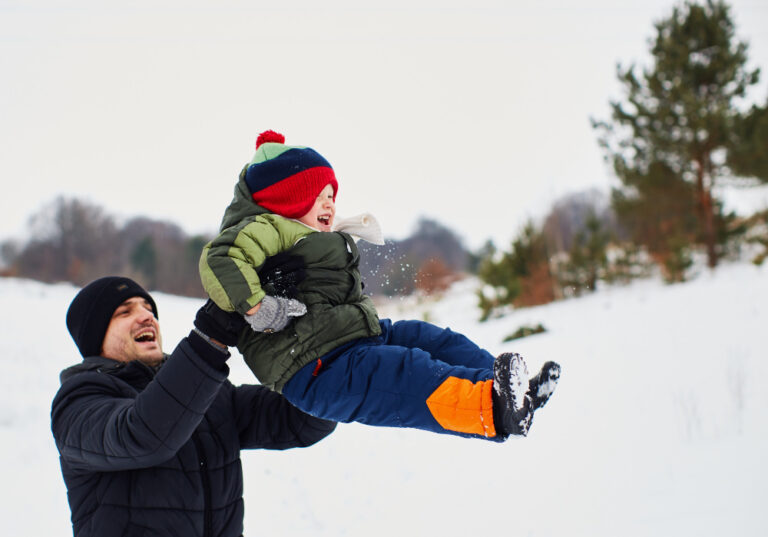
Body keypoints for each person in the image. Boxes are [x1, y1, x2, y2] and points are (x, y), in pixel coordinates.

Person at [200, 130, 561, 442]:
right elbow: (221, 260)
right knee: (407, 373)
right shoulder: (266, 228)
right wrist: (259, 306)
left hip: (353, 339)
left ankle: (504, 389)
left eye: (332, 194)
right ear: (285, 199)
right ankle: (489, 407)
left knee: (432, 340)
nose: (330, 202)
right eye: (318, 195)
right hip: (314, 367)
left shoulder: (308, 231)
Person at [51, 275, 336, 537]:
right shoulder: (78, 402)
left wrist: (328, 348)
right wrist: (209, 340)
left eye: (149, 309)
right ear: (95, 336)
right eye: (125, 312)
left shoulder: (207, 391)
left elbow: (298, 420)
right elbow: (145, 435)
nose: (146, 317)